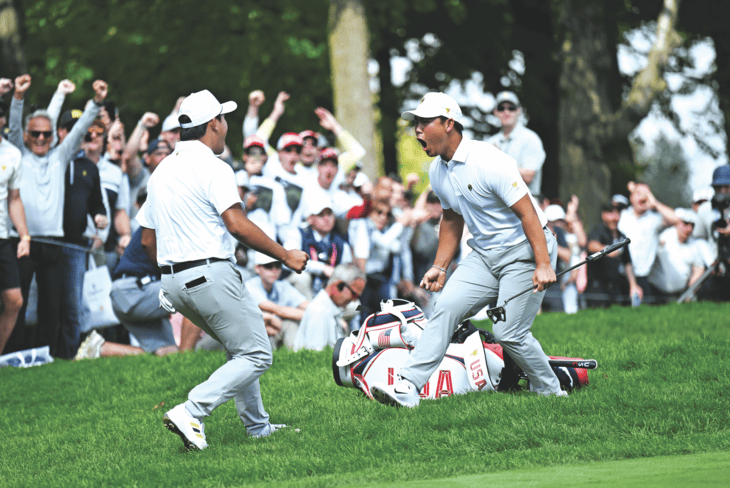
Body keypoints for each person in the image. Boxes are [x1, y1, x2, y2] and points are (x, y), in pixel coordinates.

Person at [136, 89, 309, 451]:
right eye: (224, 119)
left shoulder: (161, 170)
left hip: (172, 282)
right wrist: (285, 255)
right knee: (258, 353)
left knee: (239, 347)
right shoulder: (214, 166)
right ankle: (192, 410)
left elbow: (148, 242)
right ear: (214, 124)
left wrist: (173, 274)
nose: (225, 125)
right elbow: (236, 224)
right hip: (209, 274)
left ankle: (257, 428)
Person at [370, 92, 564, 408]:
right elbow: (451, 217)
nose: (417, 129)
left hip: (525, 251)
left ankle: (551, 391)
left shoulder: (488, 160)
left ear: (449, 124)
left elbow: (528, 213)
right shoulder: (438, 171)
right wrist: (441, 265)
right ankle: (407, 387)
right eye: (415, 123)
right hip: (485, 256)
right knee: (443, 308)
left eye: (424, 122)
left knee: (508, 332)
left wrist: (543, 263)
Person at [5, 74, 106, 356]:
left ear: (53, 137)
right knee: (18, 302)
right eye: (35, 134)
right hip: (22, 240)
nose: (40, 138)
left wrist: (97, 102)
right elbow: (14, 125)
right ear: (26, 136)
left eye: (46, 134)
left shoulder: (60, 157)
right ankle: (12, 355)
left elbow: (81, 128)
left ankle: (49, 355)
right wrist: (18, 98)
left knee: (52, 304)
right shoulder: (18, 155)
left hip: (53, 243)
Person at [74, 227, 178, 359]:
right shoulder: (165, 215)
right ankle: (188, 355)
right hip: (131, 291)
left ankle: (100, 349)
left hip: (126, 293)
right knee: (193, 288)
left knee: (167, 353)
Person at [0, 79, 31, 355]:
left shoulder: (12, 154)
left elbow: (15, 199)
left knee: (14, 299)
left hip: (3, 237)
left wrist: (24, 235)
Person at [618, 182, 679, 305]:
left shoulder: (654, 219)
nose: (643, 197)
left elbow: (675, 219)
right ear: (631, 197)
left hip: (644, 278)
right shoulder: (621, 216)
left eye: (647, 194)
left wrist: (654, 203)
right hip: (620, 276)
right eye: (639, 193)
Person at [293, 263, 366, 351]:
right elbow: (314, 357)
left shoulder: (329, 309)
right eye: (354, 294)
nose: (354, 300)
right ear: (337, 285)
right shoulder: (319, 313)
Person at [486, 91, 546, 197]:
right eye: (501, 108)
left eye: (511, 108)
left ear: (519, 111)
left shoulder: (531, 139)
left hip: (527, 204)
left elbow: (528, 176)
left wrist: (499, 160)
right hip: (497, 204)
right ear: (495, 112)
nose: (506, 112)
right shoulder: (490, 142)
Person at [245, 253, 309, 350]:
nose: (274, 270)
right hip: (254, 333)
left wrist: (315, 313)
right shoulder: (250, 286)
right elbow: (279, 310)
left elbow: (308, 306)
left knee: (290, 324)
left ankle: (296, 355)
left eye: (278, 266)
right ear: (257, 268)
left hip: (274, 328)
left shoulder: (282, 286)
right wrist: (312, 314)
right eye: (268, 266)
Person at [585, 202, 640, 308]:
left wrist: (633, 286)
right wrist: (606, 250)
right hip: (597, 287)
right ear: (603, 215)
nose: (614, 217)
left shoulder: (622, 236)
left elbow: (627, 263)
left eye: (617, 213)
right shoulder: (598, 231)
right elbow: (591, 245)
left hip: (615, 287)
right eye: (611, 213)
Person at [648, 208, 706, 302]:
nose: (689, 228)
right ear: (677, 222)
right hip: (655, 294)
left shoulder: (694, 244)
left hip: (679, 296)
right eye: (686, 223)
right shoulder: (663, 237)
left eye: (692, 225)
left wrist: (690, 291)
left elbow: (699, 269)